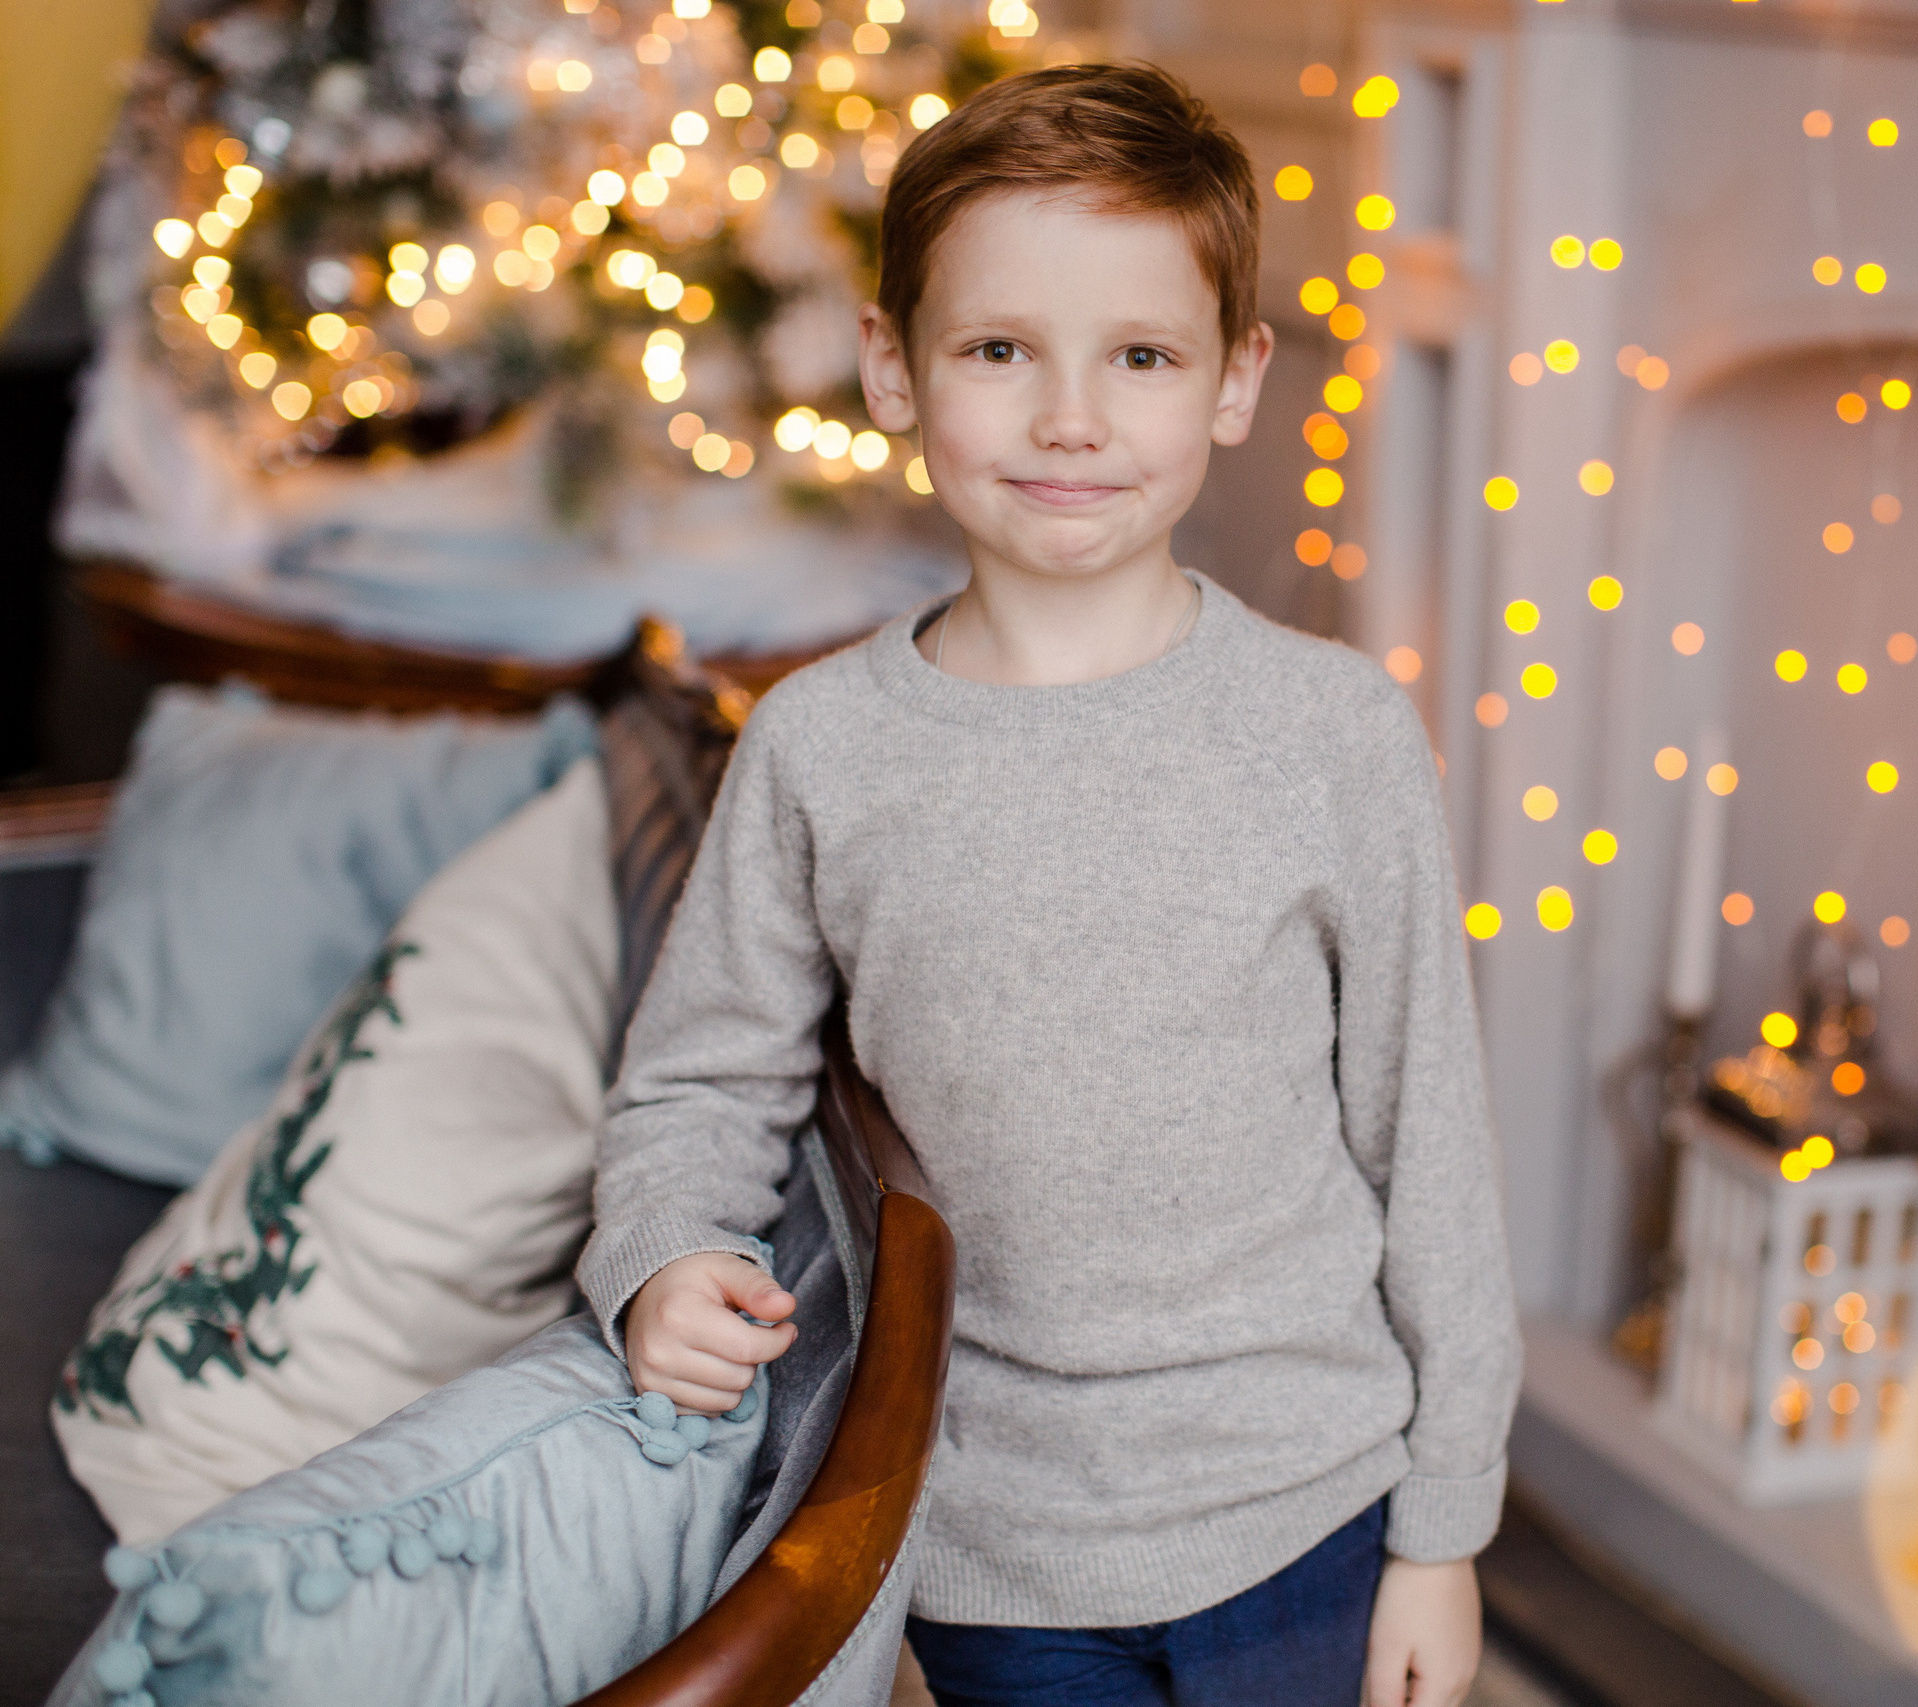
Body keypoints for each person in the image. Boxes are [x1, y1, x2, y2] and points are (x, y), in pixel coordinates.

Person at [577, 62, 1521, 1707]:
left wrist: (1446, 1530)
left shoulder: (1334, 733)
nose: (1070, 418)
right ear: (893, 367)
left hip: (1311, 1514)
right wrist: (660, 1256)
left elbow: (1427, 1142)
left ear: (1236, 380)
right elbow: (699, 1080)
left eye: (1141, 357)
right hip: (995, 1556)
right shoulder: (820, 748)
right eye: (1000, 350)